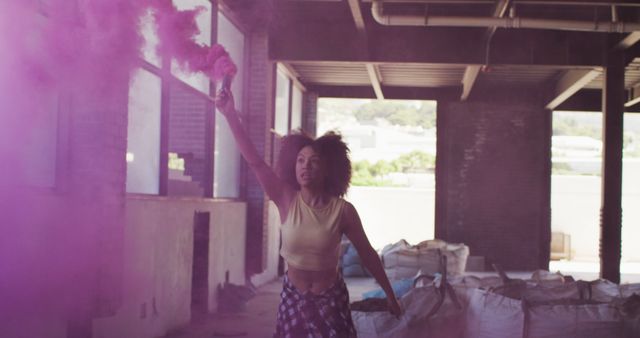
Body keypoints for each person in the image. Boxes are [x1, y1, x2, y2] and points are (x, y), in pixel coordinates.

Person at [215, 88, 402, 337]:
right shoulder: (285, 198)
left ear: (327, 169)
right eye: (300, 160)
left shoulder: (343, 211)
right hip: (293, 296)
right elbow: (255, 161)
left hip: (331, 300)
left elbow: (367, 254)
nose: (305, 166)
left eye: (313, 161)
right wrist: (229, 115)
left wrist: (390, 295)